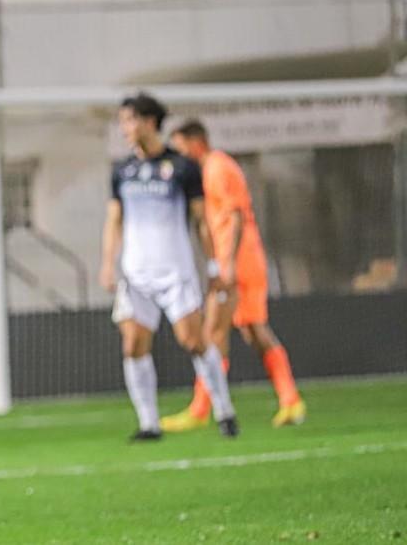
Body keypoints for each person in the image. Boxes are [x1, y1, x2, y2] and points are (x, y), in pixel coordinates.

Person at [98, 92, 239, 441]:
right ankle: (149, 423)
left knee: (193, 340)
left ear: (149, 121)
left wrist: (213, 265)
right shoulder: (122, 171)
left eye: (130, 120)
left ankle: (223, 409)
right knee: (132, 344)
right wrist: (107, 264)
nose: (125, 128)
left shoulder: (182, 168)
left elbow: (201, 221)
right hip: (135, 274)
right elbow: (114, 221)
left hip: (175, 271)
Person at [163, 120, 306, 430]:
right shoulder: (211, 168)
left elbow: (237, 214)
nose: (179, 154)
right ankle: (291, 400)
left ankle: (201, 409)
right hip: (243, 259)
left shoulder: (218, 167)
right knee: (254, 331)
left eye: (180, 146)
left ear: (195, 141)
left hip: (238, 262)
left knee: (213, 330)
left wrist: (225, 263)